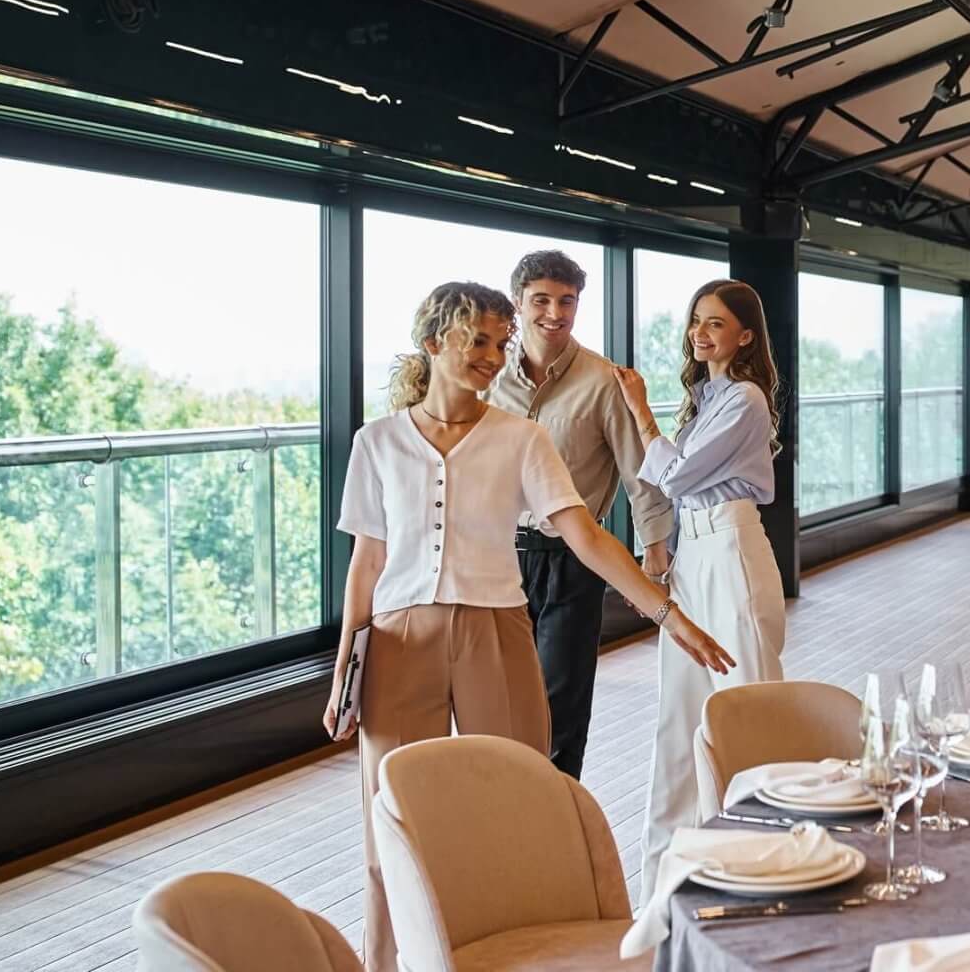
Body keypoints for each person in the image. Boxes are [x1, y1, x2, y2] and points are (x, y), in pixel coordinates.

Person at [326, 281, 734, 972]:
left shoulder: (522, 438)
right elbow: (366, 561)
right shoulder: (378, 442)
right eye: (477, 341)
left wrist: (668, 613)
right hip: (397, 640)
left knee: (517, 803)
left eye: (498, 342)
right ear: (434, 344)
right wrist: (345, 668)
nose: (493, 356)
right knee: (386, 823)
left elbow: (588, 536)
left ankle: (523, 952)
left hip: (497, 631)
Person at [613, 278, 786, 899]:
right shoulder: (708, 397)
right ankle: (664, 884)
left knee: (745, 705)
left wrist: (639, 409)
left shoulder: (744, 398)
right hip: (694, 553)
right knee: (679, 716)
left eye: (715, 323)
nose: (700, 332)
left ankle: (758, 867)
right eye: (696, 321)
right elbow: (671, 484)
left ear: (744, 335)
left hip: (732, 553)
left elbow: (680, 478)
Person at [488, 250, 675, 778]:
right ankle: (496, 814)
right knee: (497, 699)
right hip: (495, 560)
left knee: (560, 705)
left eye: (566, 301)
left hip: (573, 560)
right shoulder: (489, 379)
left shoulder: (601, 381)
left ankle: (554, 825)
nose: (555, 312)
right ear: (518, 305)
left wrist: (655, 556)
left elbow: (639, 473)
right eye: (541, 300)